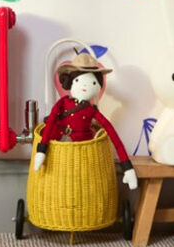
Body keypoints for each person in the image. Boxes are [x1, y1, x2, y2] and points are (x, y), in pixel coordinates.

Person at [33, 52, 138, 190]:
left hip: (83, 152)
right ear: (70, 82)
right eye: (78, 80)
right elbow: (51, 121)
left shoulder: (91, 110)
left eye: (93, 82)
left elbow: (112, 132)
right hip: (58, 148)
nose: (85, 86)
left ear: (98, 85)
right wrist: (42, 150)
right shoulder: (62, 103)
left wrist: (127, 166)